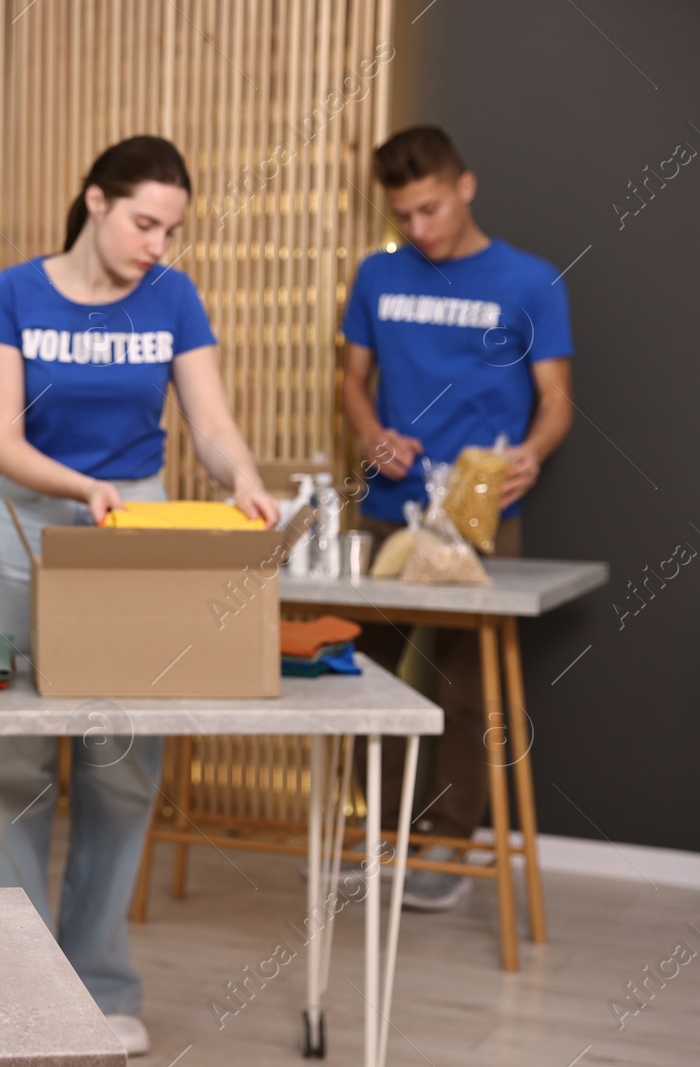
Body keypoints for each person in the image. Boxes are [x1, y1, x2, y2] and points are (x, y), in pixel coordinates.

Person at [0, 136, 279, 1056]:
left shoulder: (172, 297)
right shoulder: (15, 291)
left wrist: (244, 476)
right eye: (145, 223)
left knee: (120, 764)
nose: (157, 244)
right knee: (14, 765)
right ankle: (14, 981)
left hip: (135, 536)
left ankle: (99, 984)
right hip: (26, 528)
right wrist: (77, 486)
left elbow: (211, 422)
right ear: (96, 200)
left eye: (171, 230)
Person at [340, 126, 574, 911]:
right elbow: (351, 383)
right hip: (384, 511)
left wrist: (533, 453)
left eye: (430, 208)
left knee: (469, 688)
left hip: (479, 517)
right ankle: (369, 834)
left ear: (465, 187)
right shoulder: (376, 275)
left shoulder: (532, 282)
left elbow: (557, 400)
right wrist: (370, 432)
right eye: (403, 215)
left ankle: (447, 845)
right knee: (357, 674)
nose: (419, 229)